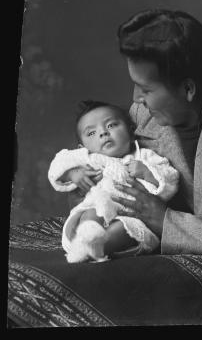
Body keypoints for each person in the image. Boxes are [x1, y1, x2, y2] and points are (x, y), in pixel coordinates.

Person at [104, 8, 202, 258]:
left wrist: (166, 221)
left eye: (146, 89)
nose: (136, 99)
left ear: (188, 88)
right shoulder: (140, 115)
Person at [48, 100, 179, 262]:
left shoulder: (144, 156)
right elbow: (58, 165)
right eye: (91, 133)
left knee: (125, 230)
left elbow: (170, 179)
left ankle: (98, 247)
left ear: (131, 132)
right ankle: (87, 238)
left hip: (132, 216)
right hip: (94, 210)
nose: (103, 133)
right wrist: (74, 173)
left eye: (111, 125)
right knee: (92, 212)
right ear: (82, 147)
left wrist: (147, 172)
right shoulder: (87, 159)